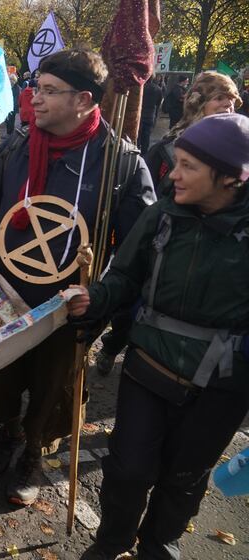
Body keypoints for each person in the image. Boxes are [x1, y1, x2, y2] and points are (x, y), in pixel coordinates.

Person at [0, 48, 156, 506]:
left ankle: (32, 453)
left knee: (52, 388)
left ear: (84, 99)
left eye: (48, 91)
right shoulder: (15, 146)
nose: (35, 99)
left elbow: (140, 251)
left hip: (68, 307)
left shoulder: (122, 164)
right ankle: (6, 431)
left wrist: (103, 299)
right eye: (35, 88)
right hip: (3, 295)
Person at [69, 113, 249, 560]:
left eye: (189, 166)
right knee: (128, 470)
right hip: (149, 366)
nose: (173, 173)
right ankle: (111, 541)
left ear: (229, 178)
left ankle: (158, 545)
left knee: (185, 478)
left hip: (223, 385)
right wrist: (94, 300)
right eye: (176, 161)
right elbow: (124, 277)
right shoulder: (162, 216)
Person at [94, 71, 242, 375]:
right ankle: (114, 343)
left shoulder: (241, 154)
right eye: (219, 100)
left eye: (232, 103)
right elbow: (148, 199)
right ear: (199, 102)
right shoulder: (167, 148)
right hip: (166, 251)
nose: (228, 108)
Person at [138, 75, 163, 153]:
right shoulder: (158, 89)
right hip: (150, 114)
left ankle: (137, 148)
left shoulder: (141, 87)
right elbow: (159, 103)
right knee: (147, 135)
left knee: (138, 134)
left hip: (141, 113)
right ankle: (144, 152)